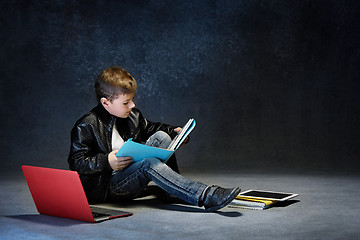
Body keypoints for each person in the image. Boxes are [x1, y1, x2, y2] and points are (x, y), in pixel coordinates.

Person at [68, 66, 240, 212]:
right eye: (126, 102)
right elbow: (76, 162)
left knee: (162, 137)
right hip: (110, 187)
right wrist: (107, 161)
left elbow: (152, 129)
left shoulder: (132, 116)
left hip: (130, 173)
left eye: (132, 100)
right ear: (106, 103)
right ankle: (205, 195)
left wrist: (175, 133)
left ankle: (172, 190)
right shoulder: (86, 125)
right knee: (148, 163)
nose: (133, 105)